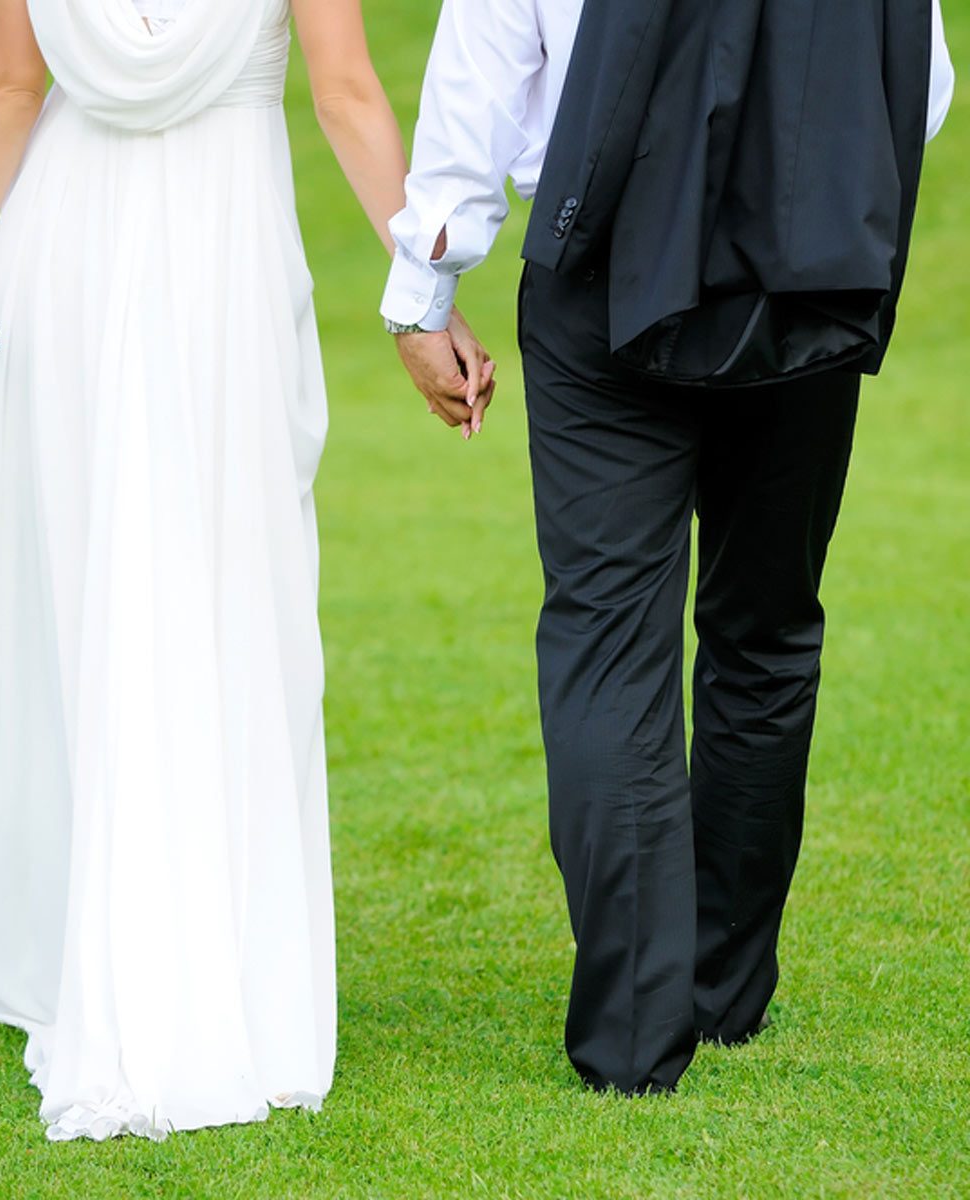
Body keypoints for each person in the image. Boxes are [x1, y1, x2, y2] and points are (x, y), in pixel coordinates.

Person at [0, 0, 492, 1141]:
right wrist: (423, 297)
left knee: (90, 588)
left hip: (67, 259)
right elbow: (345, 92)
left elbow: (12, 85)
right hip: (218, 263)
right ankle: (219, 964)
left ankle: (96, 947)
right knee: (224, 591)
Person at [384, 0, 955, 1094]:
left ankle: (636, 1042)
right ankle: (726, 993)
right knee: (768, 632)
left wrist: (425, 289)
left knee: (608, 643)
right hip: (808, 274)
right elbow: (918, 94)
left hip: (604, 273)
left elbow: (482, 75)